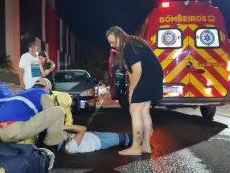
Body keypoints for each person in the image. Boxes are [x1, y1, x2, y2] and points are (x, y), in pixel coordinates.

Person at [106, 26, 163, 156]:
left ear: (119, 36)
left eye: (113, 42)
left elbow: (137, 70)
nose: (112, 45)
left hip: (147, 79)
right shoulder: (133, 43)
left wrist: (132, 89)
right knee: (144, 111)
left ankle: (136, 147)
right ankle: (146, 146)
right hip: (153, 78)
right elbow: (131, 72)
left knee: (135, 110)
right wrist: (131, 90)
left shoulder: (128, 46)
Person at [0, 78, 64, 151]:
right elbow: (50, 116)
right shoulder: (43, 94)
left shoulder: (21, 93)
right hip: (15, 131)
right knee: (59, 111)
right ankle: (50, 148)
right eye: (49, 91)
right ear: (47, 87)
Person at [62, 125, 132, 154]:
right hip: (99, 141)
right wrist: (65, 127)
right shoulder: (70, 147)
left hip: (93, 135)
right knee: (122, 138)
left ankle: (138, 140)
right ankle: (139, 142)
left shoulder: (65, 139)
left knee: (120, 136)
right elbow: (83, 128)